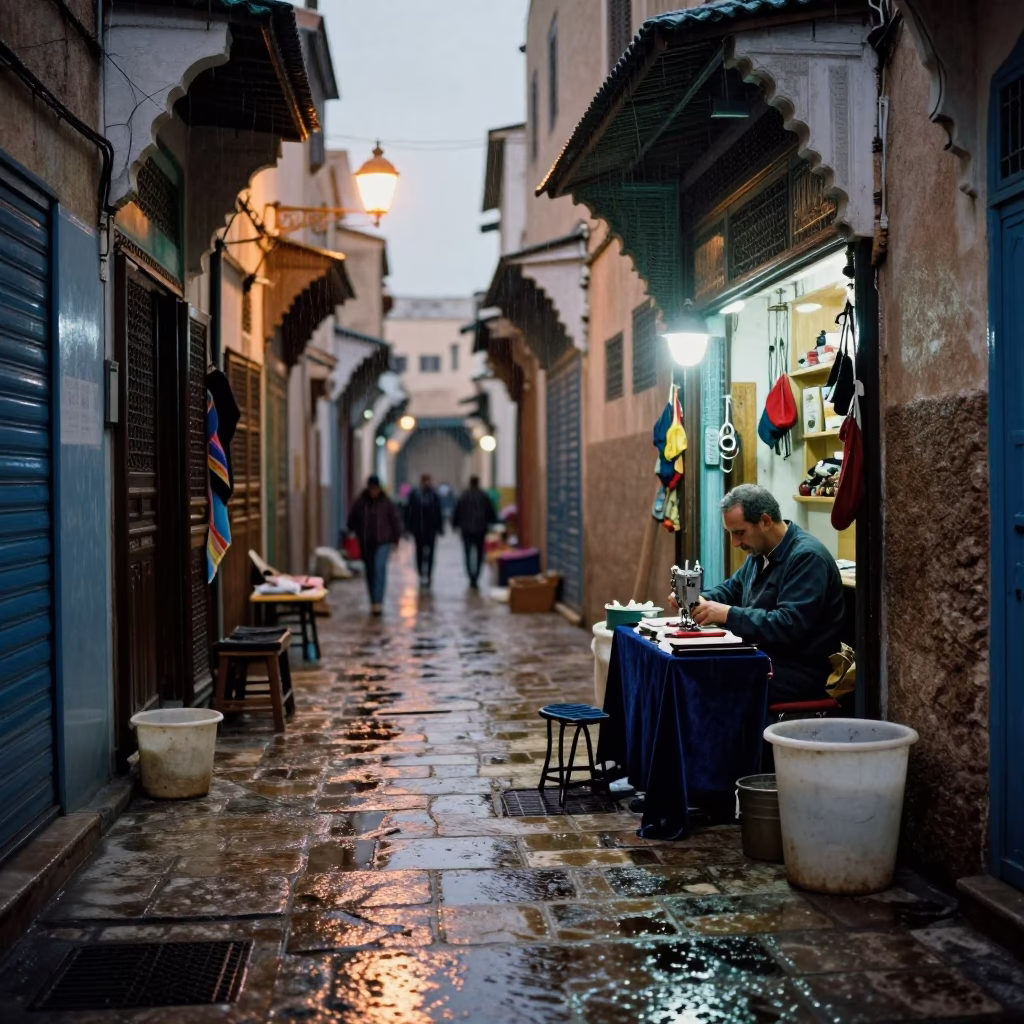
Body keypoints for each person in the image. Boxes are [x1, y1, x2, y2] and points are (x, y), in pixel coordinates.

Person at [676, 483, 845, 704]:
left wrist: (727, 614)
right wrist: (699, 599)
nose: (735, 543)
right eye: (731, 534)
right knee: (690, 667)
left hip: (800, 672)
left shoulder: (808, 558)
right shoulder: (759, 554)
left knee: (706, 680)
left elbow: (788, 625)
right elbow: (731, 589)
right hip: (767, 658)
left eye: (739, 533)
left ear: (765, 521)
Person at [347, 475, 403, 615]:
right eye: (372, 489)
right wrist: (356, 531)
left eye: (376, 489)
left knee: (380, 568)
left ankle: (378, 602)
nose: (374, 492)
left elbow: (394, 520)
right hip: (366, 542)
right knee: (370, 571)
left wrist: (396, 539)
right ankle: (373, 600)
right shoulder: (361, 502)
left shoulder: (386, 502)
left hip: (383, 541)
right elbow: (352, 520)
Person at [452, 475, 497, 590]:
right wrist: (493, 522)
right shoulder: (483, 496)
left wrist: (455, 525)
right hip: (480, 530)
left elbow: (457, 511)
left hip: (466, 530)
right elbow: (491, 512)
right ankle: (476, 576)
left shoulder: (464, 496)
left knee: (467, 554)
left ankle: (471, 576)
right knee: (479, 554)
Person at [404, 473, 444, 588]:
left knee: (430, 554)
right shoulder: (415, 494)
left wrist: (439, 527)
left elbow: (438, 512)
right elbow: (409, 511)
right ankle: (421, 573)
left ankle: (428, 574)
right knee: (419, 553)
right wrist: (408, 528)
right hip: (418, 529)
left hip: (430, 529)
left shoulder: (434, 495)